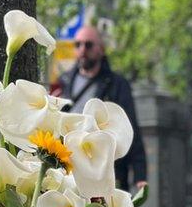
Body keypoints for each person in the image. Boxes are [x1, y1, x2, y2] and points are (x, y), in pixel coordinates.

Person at [52, 25, 147, 191]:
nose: (82, 50)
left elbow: (129, 129)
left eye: (88, 45)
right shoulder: (64, 81)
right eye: (78, 45)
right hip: (69, 167)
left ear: (101, 50)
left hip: (105, 168)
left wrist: (140, 175)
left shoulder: (117, 85)